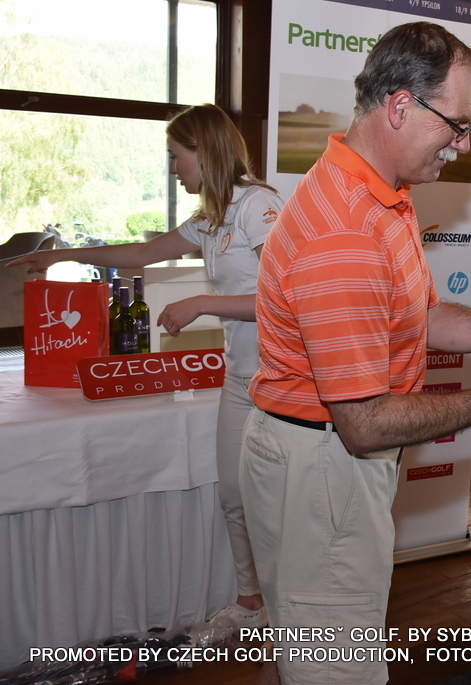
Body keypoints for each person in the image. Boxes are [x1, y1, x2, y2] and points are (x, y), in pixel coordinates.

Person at [239, 23, 471, 685]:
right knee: (336, 671)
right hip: (324, 466)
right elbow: (364, 422)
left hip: (326, 461)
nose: (462, 145)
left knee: (311, 655)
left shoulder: (382, 195)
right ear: (400, 106)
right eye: (456, 125)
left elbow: (422, 316)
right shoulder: (344, 231)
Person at [10, 103, 281, 629]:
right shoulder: (208, 218)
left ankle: (286, 612)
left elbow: (284, 298)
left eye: (176, 156)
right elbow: (142, 253)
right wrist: (63, 256)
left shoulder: (258, 205)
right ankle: (250, 604)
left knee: (270, 500)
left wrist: (201, 303)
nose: (173, 168)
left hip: (279, 379)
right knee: (233, 496)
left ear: (204, 152)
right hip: (239, 378)